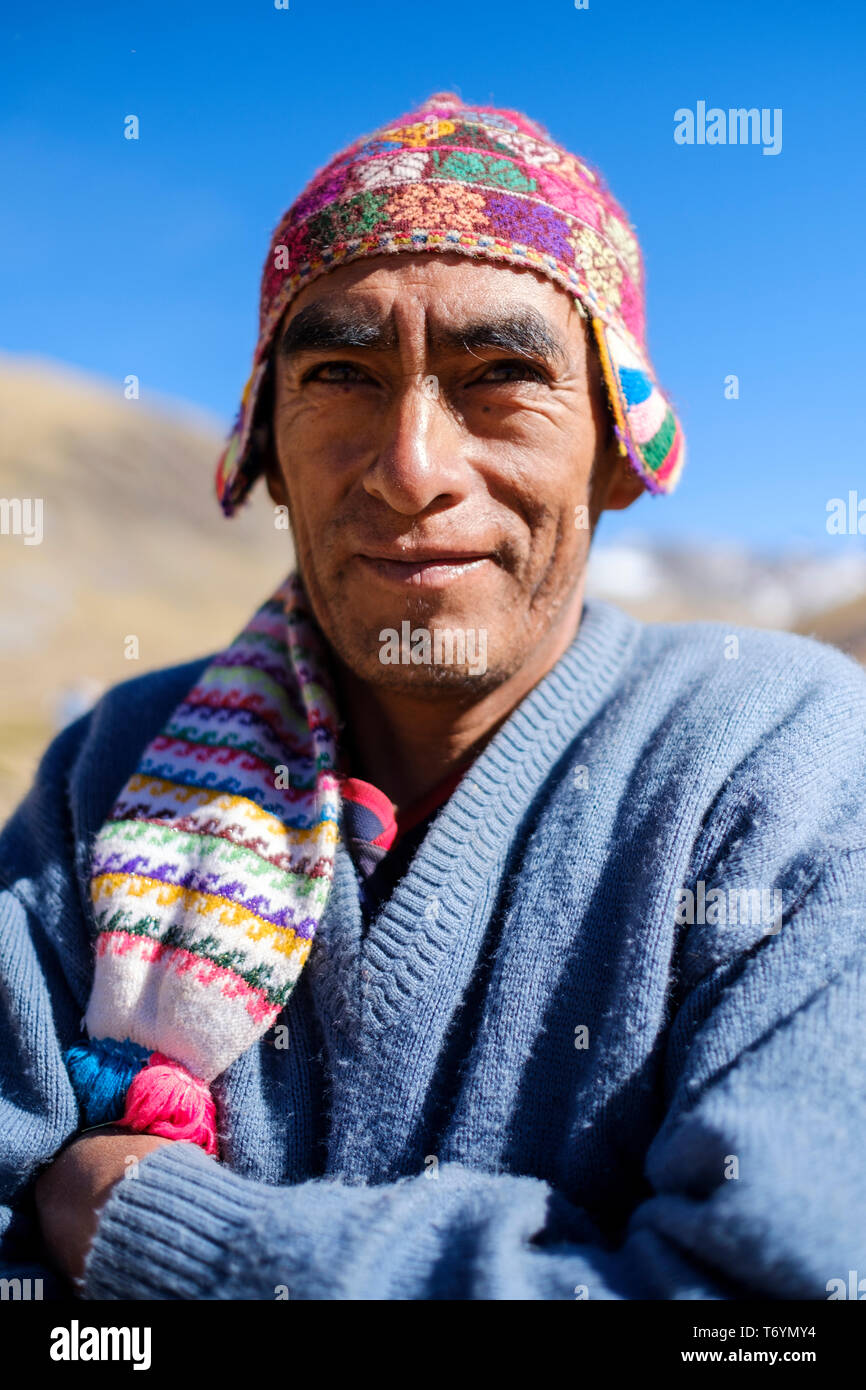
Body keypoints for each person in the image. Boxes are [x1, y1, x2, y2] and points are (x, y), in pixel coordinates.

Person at [2, 91, 865, 1302]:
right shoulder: (114, 767)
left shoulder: (785, 763)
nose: (411, 469)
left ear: (615, 448)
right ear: (270, 455)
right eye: (343, 374)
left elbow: (765, 1300)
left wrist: (161, 1235)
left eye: (502, 374)